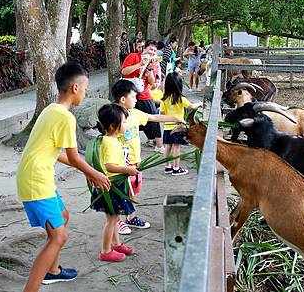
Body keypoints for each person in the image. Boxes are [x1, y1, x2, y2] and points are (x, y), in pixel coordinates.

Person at [17, 61, 111, 291]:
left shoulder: (51, 110)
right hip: (36, 181)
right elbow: (75, 157)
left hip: (37, 176)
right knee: (59, 237)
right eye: (86, 88)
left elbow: (55, 153)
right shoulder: (66, 117)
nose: (86, 93)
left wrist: (89, 172)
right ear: (75, 88)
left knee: (63, 215)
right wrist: (95, 174)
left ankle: (53, 270)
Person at [111, 79, 184, 234]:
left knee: (133, 191)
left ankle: (131, 217)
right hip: (119, 163)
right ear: (123, 99)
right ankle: (117, 221)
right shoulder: (114, 116)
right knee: (119, 192)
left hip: (135, 161)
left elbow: (154, 117)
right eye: (133, 96)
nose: (137, 99)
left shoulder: (135, 113)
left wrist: (175, 118)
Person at [91, 103, 137, 261]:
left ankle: (116, 244)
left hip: (113, 185)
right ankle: (105, 251)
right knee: (111, 220)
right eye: (124, 122)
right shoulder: (110, 143)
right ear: (112, 126)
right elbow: (109, 166)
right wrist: (127, 170)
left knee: (114, 217)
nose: (126, 124)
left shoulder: (113, 139)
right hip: (110, 186)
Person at [121, 40, 164, 152]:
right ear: (144, 48)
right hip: (129, 94)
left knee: (153, 116)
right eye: (150, 49)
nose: (152, 52)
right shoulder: (133, 56)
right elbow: (124, 71)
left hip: (144, 94)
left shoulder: (152, 63)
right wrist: (140, 64)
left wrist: (149, 69)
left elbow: (152, 82)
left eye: (154, 51)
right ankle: (126, 144)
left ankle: (159, 145)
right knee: (128, 119)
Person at [160, 72, 203, 176]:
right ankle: (176, 168)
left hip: (167, 127)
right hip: (178, 127)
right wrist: (200, 103)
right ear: (179, 85)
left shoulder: (164, 99)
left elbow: (162, 113)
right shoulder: (180, 98)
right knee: (176, 147)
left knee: (168, 146)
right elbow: (191, 106)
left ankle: (167, 167)